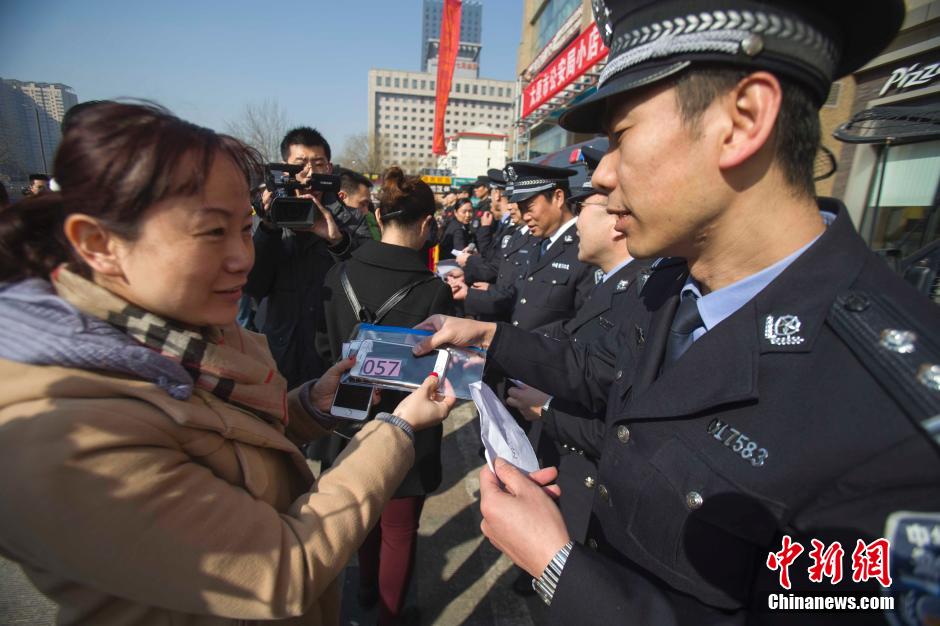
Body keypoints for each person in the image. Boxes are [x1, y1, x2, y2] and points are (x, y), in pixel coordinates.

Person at [415, 0, 940, 623]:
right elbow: (598, 371)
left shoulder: (897, 422)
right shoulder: (671, 285)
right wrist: (487, 333)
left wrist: (559, 567)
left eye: (621, 137)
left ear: (742, 121)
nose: (600, 177)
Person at [0, 102, 455, 626]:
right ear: (99, 244)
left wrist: (306, 407)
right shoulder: (66, 435)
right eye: (212, 232)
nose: (242, 257)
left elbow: (222, 443)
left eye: (245, 228)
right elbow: (281, 569)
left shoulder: (182, 334)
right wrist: (396, 430)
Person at [316, 166, 455, 626]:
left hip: (346, 417)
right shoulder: (434, 290)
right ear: (426, 224)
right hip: (408, 428)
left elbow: (323, 347)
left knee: (362, 517)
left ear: (378, 217)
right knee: (398, 529)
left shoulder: (337, 274)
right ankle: (389, 618)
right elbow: (439, 369)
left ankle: (366, 593)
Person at [505, 150, 650, 546]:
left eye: (583, 207)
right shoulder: (613, 283)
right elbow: (571, 338)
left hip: (592, 496)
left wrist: (548, 408)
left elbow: (620, 422)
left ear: (618, 220)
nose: (576, 218)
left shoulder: (641, 294)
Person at [246, 127, 371, 389]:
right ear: (284, 169)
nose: (309, 173)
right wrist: (269, 229)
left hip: (334, 354)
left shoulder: (352, 220)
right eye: (300, 165)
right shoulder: (267, 220)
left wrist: (338, 242)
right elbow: (253, 286)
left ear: (329, 168)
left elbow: (367, 284)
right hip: (279, 350)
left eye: (318, 163)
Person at [456, 162, 597, 331]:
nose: (525, 217)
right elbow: (517, 296)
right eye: (521, 209)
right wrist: (470, 295)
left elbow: (583, 326)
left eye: (529, 208)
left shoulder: (585, 248)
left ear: (558, 197)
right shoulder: (538, 243)